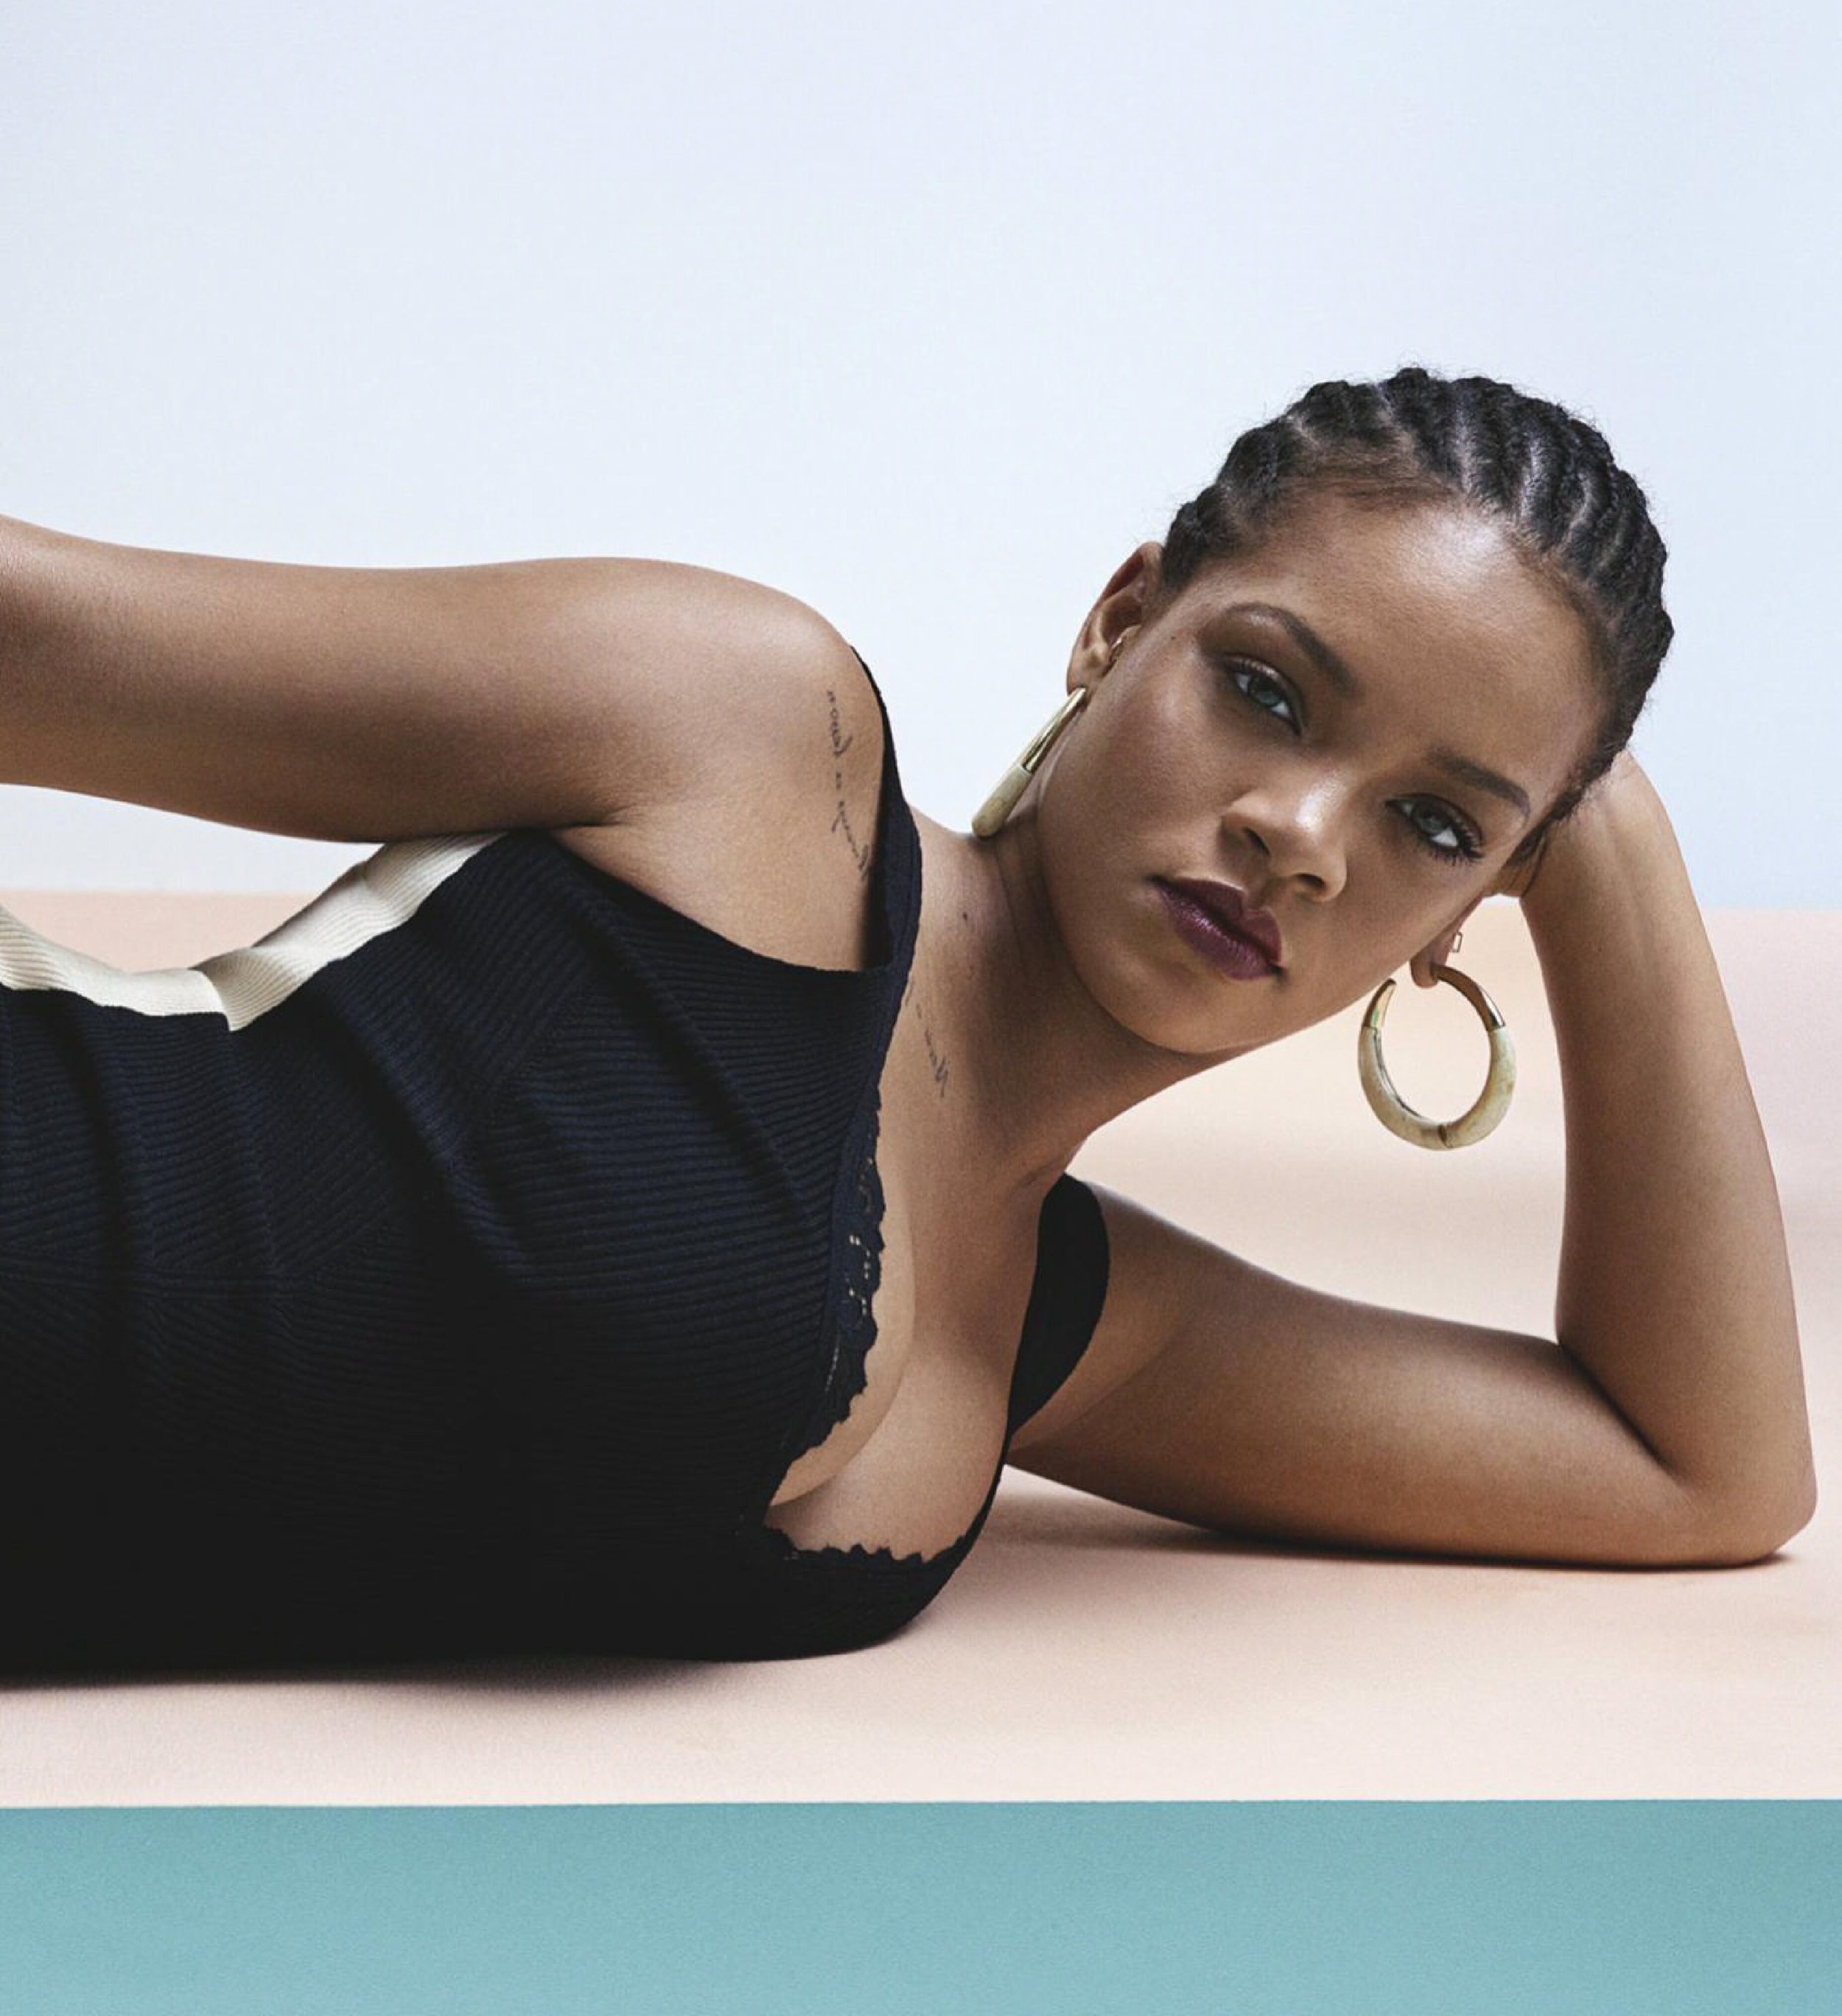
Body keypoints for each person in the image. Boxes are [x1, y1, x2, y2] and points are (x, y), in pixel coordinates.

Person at [0, 365, 1815, 1673]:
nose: (1299, 834)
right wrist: (1510, 802)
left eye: (1432, 824)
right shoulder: (738, 742)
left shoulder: (1066, 1324)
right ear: (1118, 621)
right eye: (1264, 691)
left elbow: (1699, 1472)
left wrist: (1600, 845)